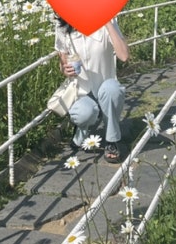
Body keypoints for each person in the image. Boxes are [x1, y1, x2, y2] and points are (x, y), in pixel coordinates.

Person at [54, 15, 130, 163]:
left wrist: (108, 23)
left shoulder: (108, 21)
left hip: (106, 86)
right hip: (82, 92)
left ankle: (112, 140)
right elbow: (63, 62)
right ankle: (82, 128)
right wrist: (65, 70)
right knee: (84, 113)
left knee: (112, 90)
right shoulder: (63, 26)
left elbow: (124, 56)